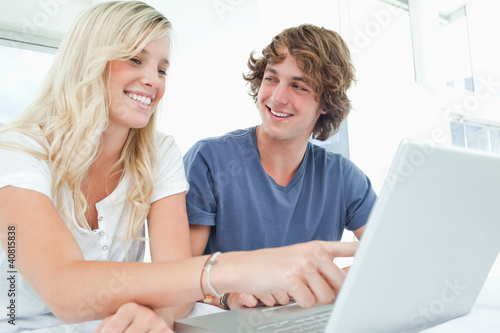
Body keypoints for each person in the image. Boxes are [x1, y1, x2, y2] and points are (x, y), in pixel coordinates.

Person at [0, 2, 358, 332]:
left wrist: (158, 314)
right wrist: (240, 270)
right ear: (88, 60)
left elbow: (179, 289)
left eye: (162, 69)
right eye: (135, 60)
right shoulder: (17, 151)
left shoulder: (159, 152)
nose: (153, 80)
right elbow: (64, 291)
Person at [185, 24, 377, 310]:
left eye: (298, 86)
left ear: (325, 102)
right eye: (271, 78)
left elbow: (391, 254)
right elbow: (177, 278)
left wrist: (319, 285)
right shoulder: (211, 160)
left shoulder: (342, 177)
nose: (277, 97)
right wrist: (228, 297)